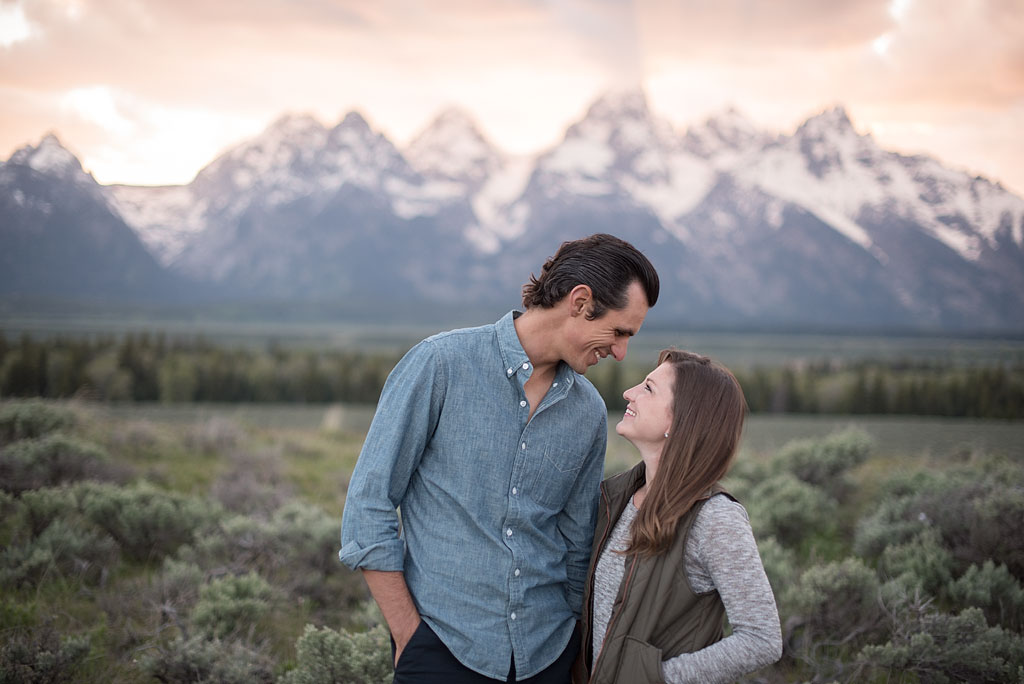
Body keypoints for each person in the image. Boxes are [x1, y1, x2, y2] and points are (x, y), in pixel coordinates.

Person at [339, 234, 660, 683]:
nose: (621, 352)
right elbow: (368, 506)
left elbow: (576, 544)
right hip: (442, 649)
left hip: (547, 655)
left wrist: (574, 651)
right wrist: (409, 637)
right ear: (580, 302)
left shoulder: (587, 410)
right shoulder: (440, 365)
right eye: (619, 332)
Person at [575, 349, 782, 684]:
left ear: (679, 420)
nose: (628, 392)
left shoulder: (715, 519)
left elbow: (762, 639)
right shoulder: (616, 497)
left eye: (648, 388)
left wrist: (656, 678)